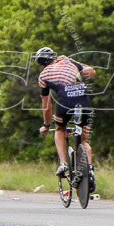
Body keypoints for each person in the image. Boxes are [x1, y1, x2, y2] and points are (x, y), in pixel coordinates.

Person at [34, 47, 96, 192]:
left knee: (60, 129)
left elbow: (46, 106)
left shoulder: (43, 75)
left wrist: (46, 125)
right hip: (83, 100)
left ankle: (63, 163)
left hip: (65, 102)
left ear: (42, 64)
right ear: (54, 57)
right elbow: (91, 72)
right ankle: (90, 170)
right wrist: (74, 62)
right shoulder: (69, 62)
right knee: (84, 141)